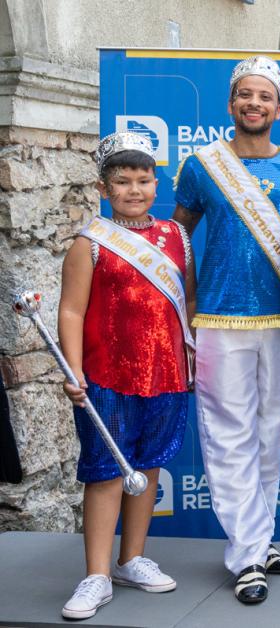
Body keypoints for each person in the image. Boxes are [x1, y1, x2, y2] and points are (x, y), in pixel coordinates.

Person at [172, 56, 280, 604]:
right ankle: (245, 555)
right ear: (231, 105)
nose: (254, 104)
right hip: (221, 320)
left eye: (265, 97)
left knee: (271, 433)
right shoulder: (201, 167)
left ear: (278, 107)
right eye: (245, 95)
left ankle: (260, 537)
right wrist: (191, 301)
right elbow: (178, 238)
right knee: (228, 435)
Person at [58, 132, 194, 619]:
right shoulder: (89, 243)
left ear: (157, 183)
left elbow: (188, 301)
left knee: (148, 466)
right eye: (122, 181)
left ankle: (131, 558)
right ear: (103, 186)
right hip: (107, 375)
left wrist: (192, 356)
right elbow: (71, 311)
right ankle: (95, 574)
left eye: (143, 180)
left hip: (167, 371)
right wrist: (73, 370)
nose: (134, 190)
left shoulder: (176, 237)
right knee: (105, 471)